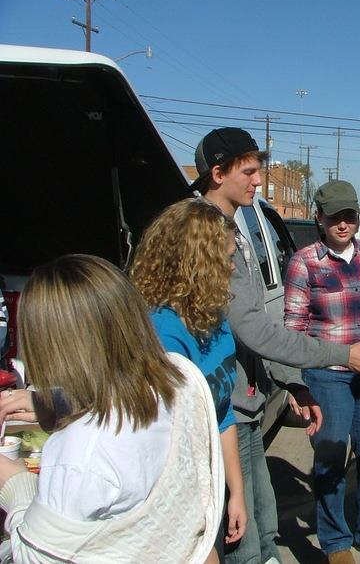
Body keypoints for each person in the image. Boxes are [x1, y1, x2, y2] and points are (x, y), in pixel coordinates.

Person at [192, 128, 360, 564]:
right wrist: (332, 363)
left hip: (251, 400)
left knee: (264, 519)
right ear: (217, 172)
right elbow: (265, 328)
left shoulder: (234, 227)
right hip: (238, 398)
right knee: (254, 518)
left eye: (351, 215)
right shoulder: (209, 234)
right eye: (249, 172)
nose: (257, 182)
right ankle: (337, 541)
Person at [0, 254, 223, 563]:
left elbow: (35, 555)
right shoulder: (179, 379)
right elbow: (122, 403)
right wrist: (56, 402)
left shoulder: (79, 453)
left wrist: (13, 480)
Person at [284, 180, 360, 564]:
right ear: (319, 218)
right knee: (331, 459)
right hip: (328, 374)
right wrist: (296, 384)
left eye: (349, 215)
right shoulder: (305, 262)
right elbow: (294, 330)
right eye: (334, 216)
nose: (343, 223)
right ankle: (336, 542)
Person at [131, 199, 247, 556]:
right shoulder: (164, 332)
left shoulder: (211, 315)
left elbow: (221, 411)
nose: (232, 268)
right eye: (226, 258)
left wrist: (235, 492)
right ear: (198, 263)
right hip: (169, 499)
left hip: (205, 487)